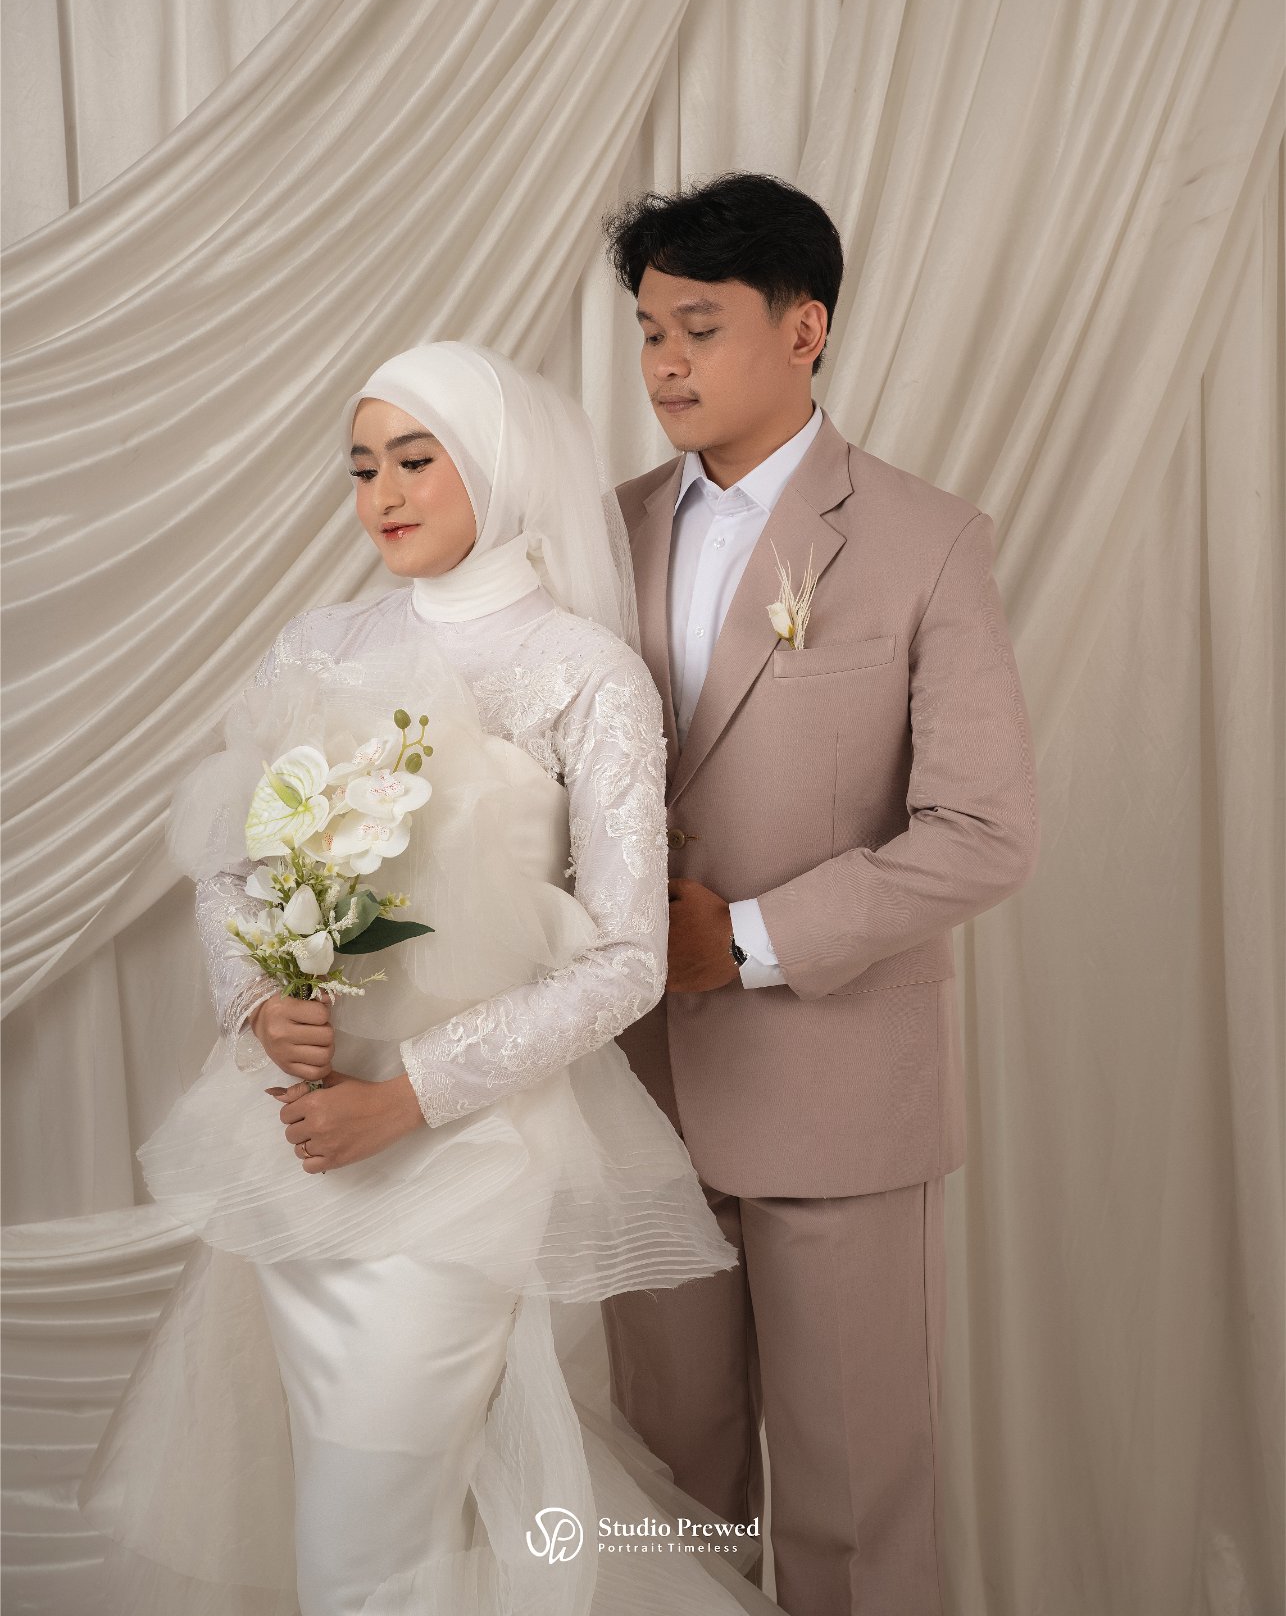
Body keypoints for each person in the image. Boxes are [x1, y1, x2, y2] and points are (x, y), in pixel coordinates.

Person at [76, 342, 784, 1616]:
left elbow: (626, 959)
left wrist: (405, 1095)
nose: (383, 495)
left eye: (415, 460)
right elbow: (231, 862)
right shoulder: (320, 645)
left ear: (498, 467)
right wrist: (257, 1000)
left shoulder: (582, 672)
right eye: (362, 468)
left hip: (466, 1149)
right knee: (331, 1500)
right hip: (302, 1138)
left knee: (372, 1529)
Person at [600, 173, 1041, 1616]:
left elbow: (982, 832)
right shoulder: (600, 533)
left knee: (855, 1517)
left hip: (838, 1096)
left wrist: (737, 941)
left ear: (805, 330)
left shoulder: (925, 539)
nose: (664, 363)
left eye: (699, 328)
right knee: (666, 1505)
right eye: (648, 330)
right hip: (637, 1100)